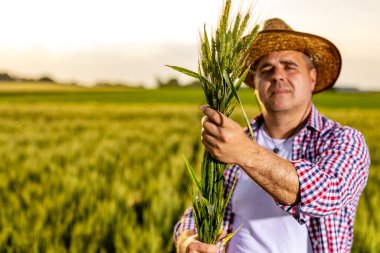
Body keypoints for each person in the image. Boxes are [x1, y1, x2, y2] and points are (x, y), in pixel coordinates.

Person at [173, 18, 370, 253]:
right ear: (254, 84)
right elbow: (196, 215)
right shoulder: (232, 144)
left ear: (312, 78)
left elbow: (328, 194)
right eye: (266, 69)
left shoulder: (344, 140)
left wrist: (244, 152)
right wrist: (187, 241)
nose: (278, 75)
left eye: (290, 66)